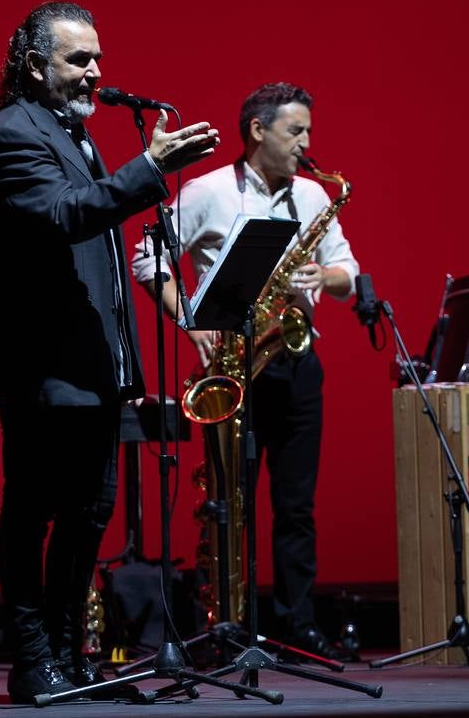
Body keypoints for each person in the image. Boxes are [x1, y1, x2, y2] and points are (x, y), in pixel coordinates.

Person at [0, 1, 220, 702]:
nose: (96, 73)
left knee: (89, 512)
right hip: (43, 365)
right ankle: (31, 659)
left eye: (97, 59)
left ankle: (70, 657)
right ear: (34, 65)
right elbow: (63, 217)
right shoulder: (11, 137)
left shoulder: (73, 135)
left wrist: (128, 365)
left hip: (94, 365)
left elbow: (104, 257)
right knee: (33, 511)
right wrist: (149, 168)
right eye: (80, 59)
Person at [132, 81, 359, 660]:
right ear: (258, 131)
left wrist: (322, 279)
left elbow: (347, 272)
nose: (307, 143)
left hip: (297, 363)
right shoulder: (208, 191)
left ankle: (295, 621)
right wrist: (189, 320)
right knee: (232, 502)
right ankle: (232, 620)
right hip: (237, 367)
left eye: (308, 130)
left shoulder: (312, 196)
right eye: (295, 131)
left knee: (296, 504)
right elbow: (147, 256)